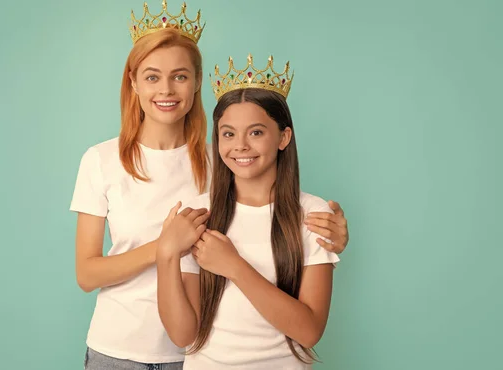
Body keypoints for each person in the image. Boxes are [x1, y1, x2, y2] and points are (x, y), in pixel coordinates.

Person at [70, 1, 349, 368]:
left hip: (196, 351)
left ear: (197, 81)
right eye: (152, 76)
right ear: (133, 81)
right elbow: (87, 273)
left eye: (180, 76)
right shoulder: (102, 160)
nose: (166, 89)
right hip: (124, 346)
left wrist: (333, 240)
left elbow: (272, 222)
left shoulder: (224, 163)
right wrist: (166, 246)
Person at [156, 54, 339, 369]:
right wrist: (166, 254)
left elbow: (309, 332)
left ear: (283, 137)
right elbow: (183, 334)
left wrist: (234, 267)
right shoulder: (199, 212)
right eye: (228, 133)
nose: (239, 145)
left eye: (255, 132)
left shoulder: (312, 214)